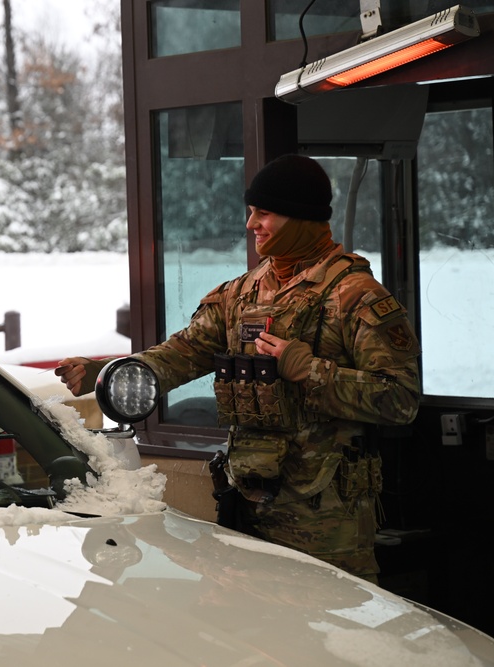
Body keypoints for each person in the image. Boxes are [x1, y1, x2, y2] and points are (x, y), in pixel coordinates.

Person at [55, 154, 421, 582]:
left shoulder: (355, 295)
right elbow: (185, 352)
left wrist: (309, 370)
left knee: (325, 632)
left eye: (264, 213)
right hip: (248, 502)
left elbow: (401, 399)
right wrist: (114, 369)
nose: (252, 225)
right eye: (251, 213)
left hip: (326, 520)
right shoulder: (243, 292)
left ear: (301, 217)